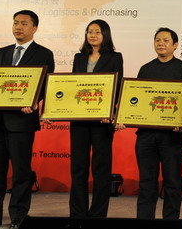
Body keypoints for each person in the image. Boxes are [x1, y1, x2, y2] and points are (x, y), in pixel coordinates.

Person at [0, 10, 55, 229]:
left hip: (21, 121)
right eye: (15, 23)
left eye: (23, 23)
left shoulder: (44, 53)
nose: (18, 27)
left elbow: (45, 84)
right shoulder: (1, 52)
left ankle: (18, 216)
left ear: (34, 28)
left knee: (21, 172)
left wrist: (34, 101)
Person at [124, 28, 182, 220]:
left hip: (172, 136)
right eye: (157, 40)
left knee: (172, 182)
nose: (161, 43)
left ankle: (170, 222)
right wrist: (125, 117)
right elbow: (137, 99)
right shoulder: (145, 69)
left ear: (175, 45)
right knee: (147, 182)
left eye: (165, 40)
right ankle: (145, 221)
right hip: (146, 135)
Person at [69, 19, 123, 218]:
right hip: (79, 119)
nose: (92, 35)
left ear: (105, 35)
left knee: (101, 168)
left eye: (97, 32)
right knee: (78, 167)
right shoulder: (79, 57)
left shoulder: (115, 57)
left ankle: (98, 215)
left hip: (102, 121)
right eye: (89, 31)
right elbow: (73, 85)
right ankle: (77, 214)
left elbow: (117, 85)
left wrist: (111, 112)